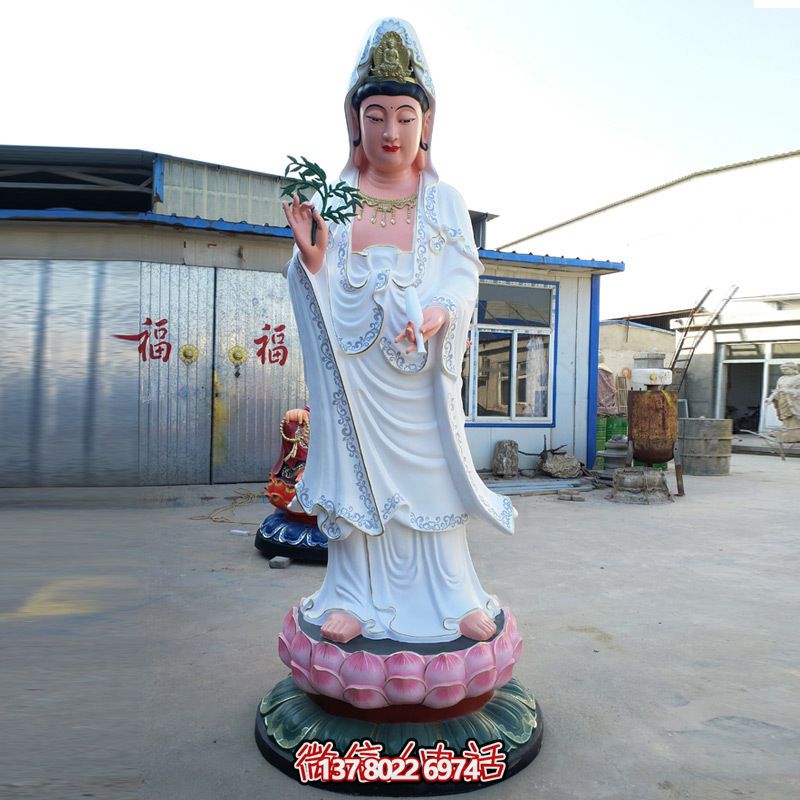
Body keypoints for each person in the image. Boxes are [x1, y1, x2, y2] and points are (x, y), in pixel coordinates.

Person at [282, 19, 515, 645]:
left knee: (432, 480)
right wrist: (310, 260)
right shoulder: (336, 197)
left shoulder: (444, 202)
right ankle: (352, 598)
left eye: (405, 116)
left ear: (426, 124)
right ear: (355, 122)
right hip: (356, 374)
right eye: (377, 115)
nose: (391, 132)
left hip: (420, 378)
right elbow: (321, 280)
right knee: (355, 477)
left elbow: (463, 276)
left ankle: (452, 595)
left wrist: (438, 314)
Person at [765, 361, 800, 440]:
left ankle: (794, 431)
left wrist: (790, 391)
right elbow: (777, 390)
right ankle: (786, 429)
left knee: (794, 415)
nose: (783, 371)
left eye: (786, 369)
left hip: (794, 401)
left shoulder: (798, 378)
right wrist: (770, 398)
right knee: (784, 416)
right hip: (782, 400)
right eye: (782, 369)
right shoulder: (781, 378)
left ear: (793, 369)